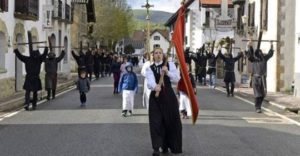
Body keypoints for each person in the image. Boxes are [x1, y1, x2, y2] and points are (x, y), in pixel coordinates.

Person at [145, 47, 182, 155]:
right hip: (156, 99)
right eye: (156, 53)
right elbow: (149, 81)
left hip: (169, 96)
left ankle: (169, 146)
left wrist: (168, 73)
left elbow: (177, 79)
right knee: (156, 123)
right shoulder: (150, 68)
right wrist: (155, 86)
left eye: (160, 53)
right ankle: (156, 148)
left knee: (171, 121)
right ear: (153, 55)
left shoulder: (169, 65)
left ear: (163, 54)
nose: (158, 55)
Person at [245, 41, 274, 113]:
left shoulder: (264, 58)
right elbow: (248, 55)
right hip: (255, 79)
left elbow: (270, 54)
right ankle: (257, 107)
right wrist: (248, 46)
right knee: (258, 94)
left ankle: (259, 106)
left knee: (263, 94)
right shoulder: (253, 59)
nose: (260, 54)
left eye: (261, 52)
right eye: (259, 53)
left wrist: (271, 45)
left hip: (263, 79)